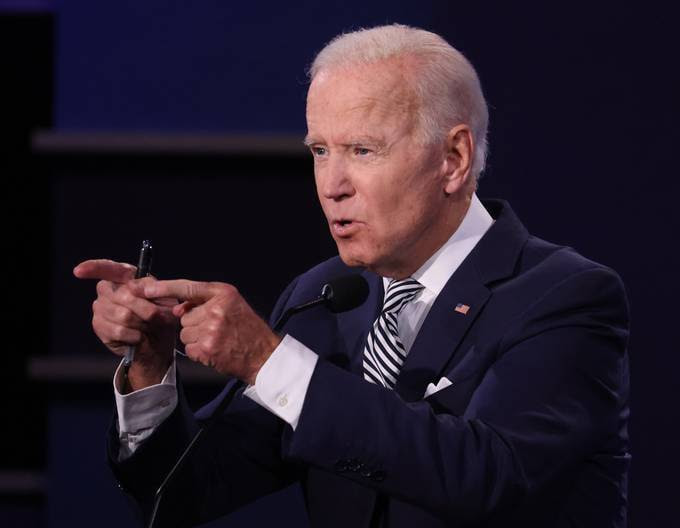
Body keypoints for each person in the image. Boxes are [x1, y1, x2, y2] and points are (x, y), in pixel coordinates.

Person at [74, 24, 630, 527]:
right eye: (320, 150)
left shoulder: (564, 296)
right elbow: (184, 495)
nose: (332, 184)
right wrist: (150, 369)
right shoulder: (322, 298)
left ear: (454, 159)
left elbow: (488, 476)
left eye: (363, 150)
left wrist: (270, 363)